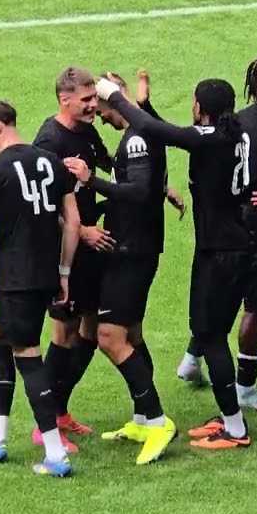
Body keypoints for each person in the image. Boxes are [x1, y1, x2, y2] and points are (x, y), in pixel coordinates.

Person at [97, 75, 254, 450]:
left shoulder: (213, 137)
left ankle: (235, 428)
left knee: (210, 336)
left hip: (221, 251)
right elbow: (167, 132)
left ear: (201, 107)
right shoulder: (233, 133)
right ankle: (230, 418)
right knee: (207, 332)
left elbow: (162, 132)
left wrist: (116, 98)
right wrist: (144, 106)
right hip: (231, 245)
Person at [0, 100, 81, 477]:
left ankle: (55, 454)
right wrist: (64, 273)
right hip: (45, 275)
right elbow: (72, 223)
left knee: (27, 355)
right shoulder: (53, 162)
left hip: (15, 278)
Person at [63, 72, 176, 465]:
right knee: (131, 333)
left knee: (110, 337)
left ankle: (158, 421)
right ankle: (145, 418)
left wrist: (91, 179)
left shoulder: (138, 139)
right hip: (134, 246)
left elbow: (139, 191)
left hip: (133, 250)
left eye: (100, 101)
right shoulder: (141, 131)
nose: (96, 110)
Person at [30, 66, 113, 452]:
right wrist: (81, 232)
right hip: (67, 248)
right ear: (65, 100)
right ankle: (43, 424)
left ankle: (60, 411)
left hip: (92, 246)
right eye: (86, 100)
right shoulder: (49, 141)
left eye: (95, 98)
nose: (93, 105)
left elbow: (111, 169)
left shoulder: (88, 131)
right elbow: (45, 206)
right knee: (63, 335)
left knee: (91, 331)